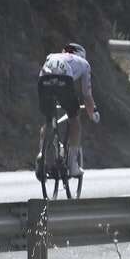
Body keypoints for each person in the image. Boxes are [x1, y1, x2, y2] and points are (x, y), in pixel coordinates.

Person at [37, 43, 99, 178]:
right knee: (74, 118)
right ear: (81, 54)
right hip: (64, 81)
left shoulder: (52, 55)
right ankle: (72, 165)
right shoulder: (84, 63)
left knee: (49, 119)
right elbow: (87, 95)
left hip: (43, 79)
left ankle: (41, 154)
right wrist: (92, 113)